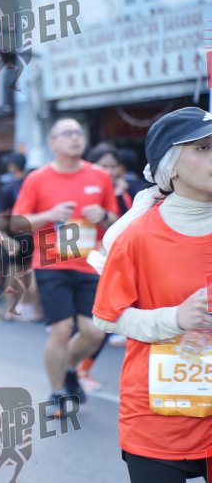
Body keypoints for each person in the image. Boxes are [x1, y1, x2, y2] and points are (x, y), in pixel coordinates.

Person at [92, 107, 212, 483]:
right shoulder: (137, 236)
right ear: (171, 166)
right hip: (156, 416)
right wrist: (174, 319)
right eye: (203, 148)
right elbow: (107, 316)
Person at [11, 118, 120, 418]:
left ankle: (68, 368)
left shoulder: (100, 176)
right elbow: (17, 222)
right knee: (60, 330)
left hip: (89, 264)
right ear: (53, 142)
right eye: (67, 133)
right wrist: (49, 214)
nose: (75, 138)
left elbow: (116, 220)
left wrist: (103, 215)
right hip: (52, 263)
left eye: (78, 132)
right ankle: (57, 392)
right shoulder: (37, 179)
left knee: (94, 332)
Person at [77, 143, 136, 390]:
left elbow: (133, 223)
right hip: (84, 262)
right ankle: (75, 370)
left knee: (105, 320)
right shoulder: (85, 190)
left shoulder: (128, 191)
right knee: (89, 323)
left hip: (117, 261)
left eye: (113, 166)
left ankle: (82, 369)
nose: (109, 171)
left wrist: (121, 196)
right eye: (104, 166)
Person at [0, 151, 41, 322]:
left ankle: (10, 310)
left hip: (15, 235)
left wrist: (2, 235)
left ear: (13, 166)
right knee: (33, 271)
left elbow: (1, 217)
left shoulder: (8, 187)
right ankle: (36, 311)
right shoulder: (34, 184)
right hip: (35, 233)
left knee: (13, 272)